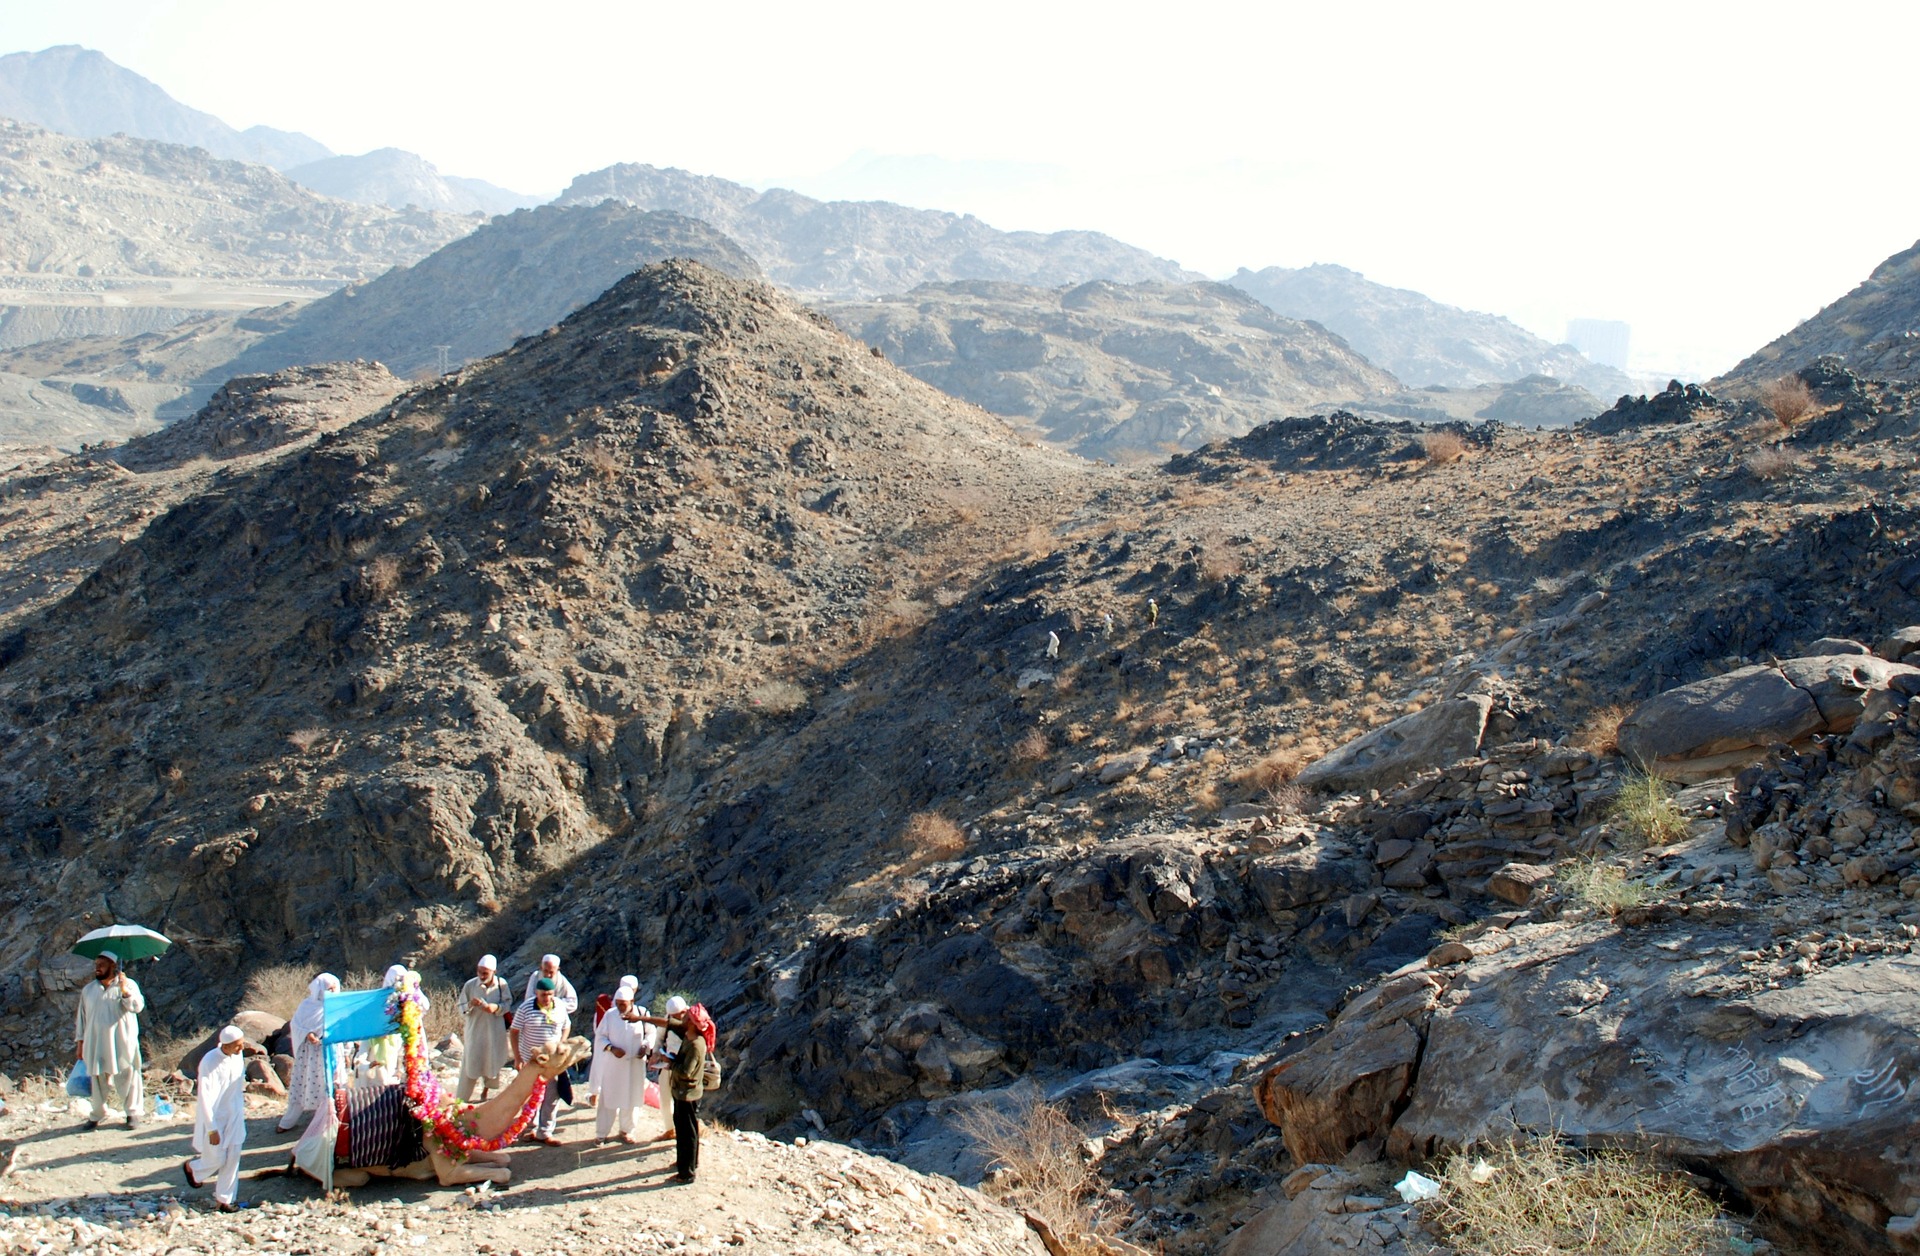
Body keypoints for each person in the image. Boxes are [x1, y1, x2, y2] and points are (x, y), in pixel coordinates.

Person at [637, 1003, 712, 1184]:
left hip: (687, 1093)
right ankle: (688, 1163)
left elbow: (686, 1072)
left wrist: (670, 1063)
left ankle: (686, 1173)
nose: (683, 1018)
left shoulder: (695, 1045)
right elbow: (668, 1023)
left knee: (687, 1131)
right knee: (686, 1129)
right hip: (684, 1092)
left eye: (687, 1017)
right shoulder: (691, 1034)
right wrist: (641, 1018)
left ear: (692, 1023)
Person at [73, 950, 145, 1130]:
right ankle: (97, 1114)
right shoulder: (88, 990)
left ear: (113, 966)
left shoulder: (128, 985)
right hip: (95, 1042)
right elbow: (82, 1019)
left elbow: (137, 1007)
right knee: (97, 1078)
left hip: (122, 1041)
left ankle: (132, 1113)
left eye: (101, 965)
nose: (97, 968)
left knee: (128, 1075)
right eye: (96, 965)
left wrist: (124, 990)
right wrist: (80, 1043)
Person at [184, 1026, 249, 1211]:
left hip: (235, 1114)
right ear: (226, 1046)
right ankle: (193, 1168)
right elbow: (205, 1097)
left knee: (233, 1157)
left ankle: (225, 1200)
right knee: (217, 1158)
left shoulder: (237, 1056)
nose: (241, 1049)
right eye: (237, 1046)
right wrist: (211, 1128)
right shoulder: (210, 1062)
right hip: (216, 1117)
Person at [507, 978, 571, 1145]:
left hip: (553, 1061)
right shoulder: (526, 1008)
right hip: (531, 1061)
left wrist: (562, 1042)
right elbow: (514, 1031)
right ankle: (528, 1128)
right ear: (536, 993)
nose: (546, 998)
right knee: (529, 1095)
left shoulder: (559, 1006)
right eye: (543, 995)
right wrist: (518, 1057)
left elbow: (566, 1025)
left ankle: (545, 1132)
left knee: (551, 1095)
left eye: (549, 994)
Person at [278, 973, 342, 1132]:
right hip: (311, 1054)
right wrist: (308, 1034)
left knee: (334, 1084)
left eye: (334, 988)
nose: (332, 992)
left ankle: (331, 1120)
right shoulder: (307, 1006)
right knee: (305, 1084)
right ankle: (288, 1121)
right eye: (329, 988)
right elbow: (296, 1025)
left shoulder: (337, 1005)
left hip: (331, 1050)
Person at [594, 982, 653, 1144]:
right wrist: (611, 1048)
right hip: (614, 1066)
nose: (620, 1007)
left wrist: (645, 1046)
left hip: (634, 1065)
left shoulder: (642, 1013)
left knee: (632, 1099)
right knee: (608, 1099)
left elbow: (651, 1033)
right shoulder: (610, 1015)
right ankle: (601, 1133)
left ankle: (627, 1131)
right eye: (618, 1004)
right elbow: (600, 1037)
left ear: (632, 1002)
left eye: (623, 1004)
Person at [457, 955, 513, 1102]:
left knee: (491, 1061)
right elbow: (460, 1007)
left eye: (485, 973)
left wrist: (496, 1008)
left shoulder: (502, 985)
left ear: (493, 972)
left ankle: (485, 1092)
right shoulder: (470, 985)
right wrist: (470, 1004)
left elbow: (507, 1004)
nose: (481, 976)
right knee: (471, 1063)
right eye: (479, 972)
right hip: (475, 1031)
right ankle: (461, 1099)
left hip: (495, 1031)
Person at [648, 994, 689, 1143]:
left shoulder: (694, 1021)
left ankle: (684, 1135)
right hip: (667, 1066)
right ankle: (670, 1130)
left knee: (684, 1103)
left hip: (686, 1067)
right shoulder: (666, 1021)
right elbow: (659, 1040)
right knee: (665, 1100)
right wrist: (655, 1054)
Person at [364, 965, 410, 1086]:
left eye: (402, 980)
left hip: (396, 1044)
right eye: (397, 979)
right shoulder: (379, 999)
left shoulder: (406, 1000)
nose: (399, 983)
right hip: (378, 1047)